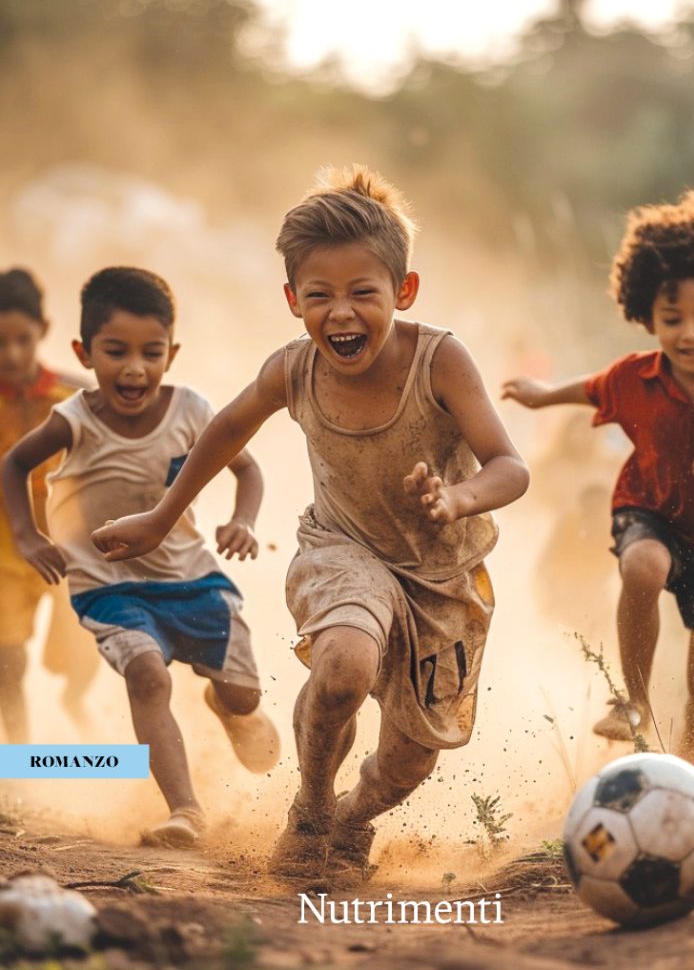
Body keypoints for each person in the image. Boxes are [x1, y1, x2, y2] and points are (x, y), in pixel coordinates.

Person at [90, 167, 529, 882]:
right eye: (320, 295)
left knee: (410, 761)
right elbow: (227, 429)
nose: (341, 313)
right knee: (344, 666)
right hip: (342, 549)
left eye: (364, 293)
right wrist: (161, 518)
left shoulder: (440, 360)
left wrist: (458, 499)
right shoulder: (293, 370)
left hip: (443, 579)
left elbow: (510, 466)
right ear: (293, 299)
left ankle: (353, 821)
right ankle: (313, 810)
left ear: (404, 291)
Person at [503, 190, 694, 766]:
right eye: (671, 319)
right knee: (641, 563)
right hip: (652, 511)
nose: (689, 333)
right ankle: (633, 701)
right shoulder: (635, 376)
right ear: (646, 315)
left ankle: (688, 752)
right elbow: (593, 387)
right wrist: (541, 397)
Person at [3, 267, 279, 846]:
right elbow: (15, 464)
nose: (134, 368)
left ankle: (225, 707)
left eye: (150, 353)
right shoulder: (75, 417)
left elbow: (247, 468)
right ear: (86, 352)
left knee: (241, 695)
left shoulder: (187, 410)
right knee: (141, 676)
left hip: (190, 579)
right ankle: (181, 810)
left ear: (171, 354)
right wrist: (27, 537)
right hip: (101, 583)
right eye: (116, 352)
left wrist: (243, 521)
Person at [0, 268, 99, 743]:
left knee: (83, 657)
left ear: (43, 330)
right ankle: (20, 763)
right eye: (0, 342)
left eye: (22, 339)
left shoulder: (77, 397)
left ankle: (74, 702)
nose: (11, 354)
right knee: (7, 660)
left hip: (70, 551)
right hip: (6, 552)